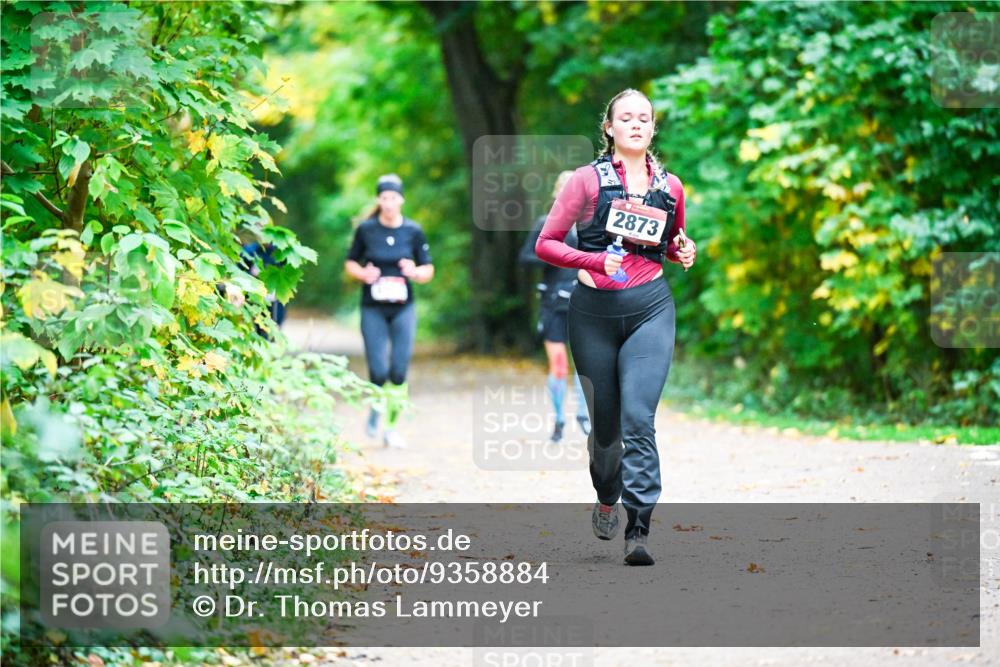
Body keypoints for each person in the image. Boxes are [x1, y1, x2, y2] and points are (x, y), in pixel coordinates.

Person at [535, 89, 697, 565]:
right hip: (593, 314)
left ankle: (639, 528)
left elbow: (671, 243)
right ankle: (607, 495)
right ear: (609, 128)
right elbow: (546, 243)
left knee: (638, 420)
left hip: (650, 309)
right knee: (606, 434)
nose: (636, 124)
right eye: (626, 118)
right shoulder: (586, 181)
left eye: (644, 118)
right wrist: (594, 260)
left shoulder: (671, 186)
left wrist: (683, 251)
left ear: (653, 128)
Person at [344, 174, 434, 449]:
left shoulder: (413, 231)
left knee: (398, 370)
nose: (389, 203)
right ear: (378, 200)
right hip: (373, 308)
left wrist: (414, 272)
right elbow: (350, 262)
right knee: (378, 370)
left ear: (401, 199)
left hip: (403, 308)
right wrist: (363, 273)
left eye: (393, 197)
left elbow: (428, 269)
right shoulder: (367, 230)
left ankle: (391, 429)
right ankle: (376, 408)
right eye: (384, 198)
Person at [518, 171, 592, 444]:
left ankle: (583, 416)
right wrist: (553, 254)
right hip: (552, 302)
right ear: (557, 193)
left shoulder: (590, 226)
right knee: (559, 365)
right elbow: (525, 257)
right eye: (565, 189)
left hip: (584, 301)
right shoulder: (545, 224)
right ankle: (559, 420)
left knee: (585, 362)